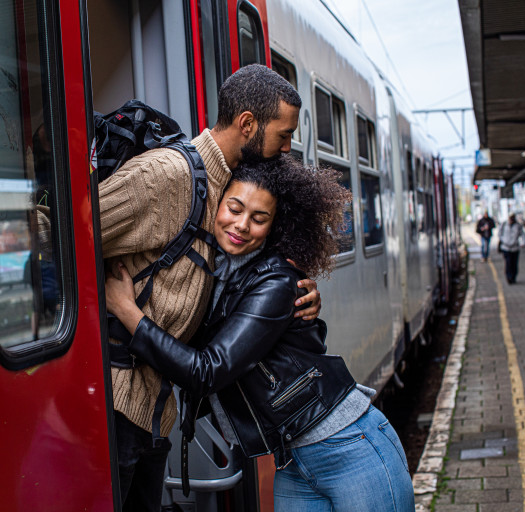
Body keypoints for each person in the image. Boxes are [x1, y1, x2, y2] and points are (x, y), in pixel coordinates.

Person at [106, 158, 415, 511]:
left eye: (259, 218)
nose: (241, 225)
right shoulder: (212, 273)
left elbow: (207, 371)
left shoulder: (276, 280)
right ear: (215, 205)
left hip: (348, 445)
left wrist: (127, 311)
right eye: (234, 209)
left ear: (273, 227)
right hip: (291, 459)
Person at [98, 64, 322, 511]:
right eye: (283, 135)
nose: (287, 147)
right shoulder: (167, 176)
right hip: (119, 409)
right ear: (247, 125)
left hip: (155, 414)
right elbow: (59, 232)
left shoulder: (226, 188)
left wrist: (296, 297)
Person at [498, 213, 525, 284]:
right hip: (506, 248)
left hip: (515, 248)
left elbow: (523, 234)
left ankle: (513, 277)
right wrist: (504, 240)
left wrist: (523, 243)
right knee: (508, 263)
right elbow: (499, 234)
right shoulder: (504, 224)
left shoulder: (518, 226)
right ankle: (508, 277)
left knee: (514, 264)